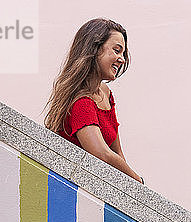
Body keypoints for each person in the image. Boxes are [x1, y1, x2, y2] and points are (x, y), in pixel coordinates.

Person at [45, 18, 143, 183]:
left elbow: (117, 152)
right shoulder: (81, 103)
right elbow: (101, 154)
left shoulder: (105, 93)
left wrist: (131, 187)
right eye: (117, 50)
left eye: (123, 53)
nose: (122, 59)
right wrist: (138, 181)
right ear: (95, 50)